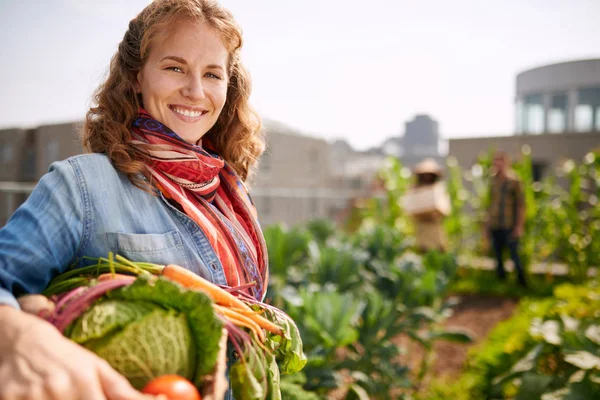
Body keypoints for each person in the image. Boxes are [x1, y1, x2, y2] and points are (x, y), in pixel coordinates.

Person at [0, 1, 267, 399]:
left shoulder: (230, 197)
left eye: (212, 74)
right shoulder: (82, 186)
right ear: (137, 77)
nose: (195, 91)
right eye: (174, 67)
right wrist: (17, 335)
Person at [485, 150, 527, 287]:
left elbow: (520, 205)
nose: (498, 165)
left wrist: (519, 226)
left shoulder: (514, 181)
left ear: (506, 163)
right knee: (498, 256)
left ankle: (521, 282)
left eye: (501, 162)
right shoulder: (493, 181)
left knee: (514, 255)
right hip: (496, 224)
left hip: (510, 224)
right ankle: (501, 283)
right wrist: (486, 226)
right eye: (496, 162)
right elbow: (490, 205)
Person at [409, 158, 450, 253]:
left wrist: (428, 213)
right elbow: (412, 212)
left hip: (436, 233)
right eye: (424, 175)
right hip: (421, 233)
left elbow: (444, 211)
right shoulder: (414, 191)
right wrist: (429, 212)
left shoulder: (439, 190)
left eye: (429, 175)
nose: (427, 177)